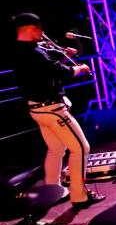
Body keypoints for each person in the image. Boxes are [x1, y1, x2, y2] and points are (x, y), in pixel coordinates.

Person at [11, 13, 105, 209]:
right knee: (81, 148)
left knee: (56, 150)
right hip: (52, 110)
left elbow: (47, 72)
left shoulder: (18, 51)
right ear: (33, 28)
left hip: (38, 110)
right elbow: (63, 73)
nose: (42, 33)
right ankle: (80, 196)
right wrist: (80, 68)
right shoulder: (34, 52)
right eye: (40, 29)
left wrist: (63, 58)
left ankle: (53, 192)